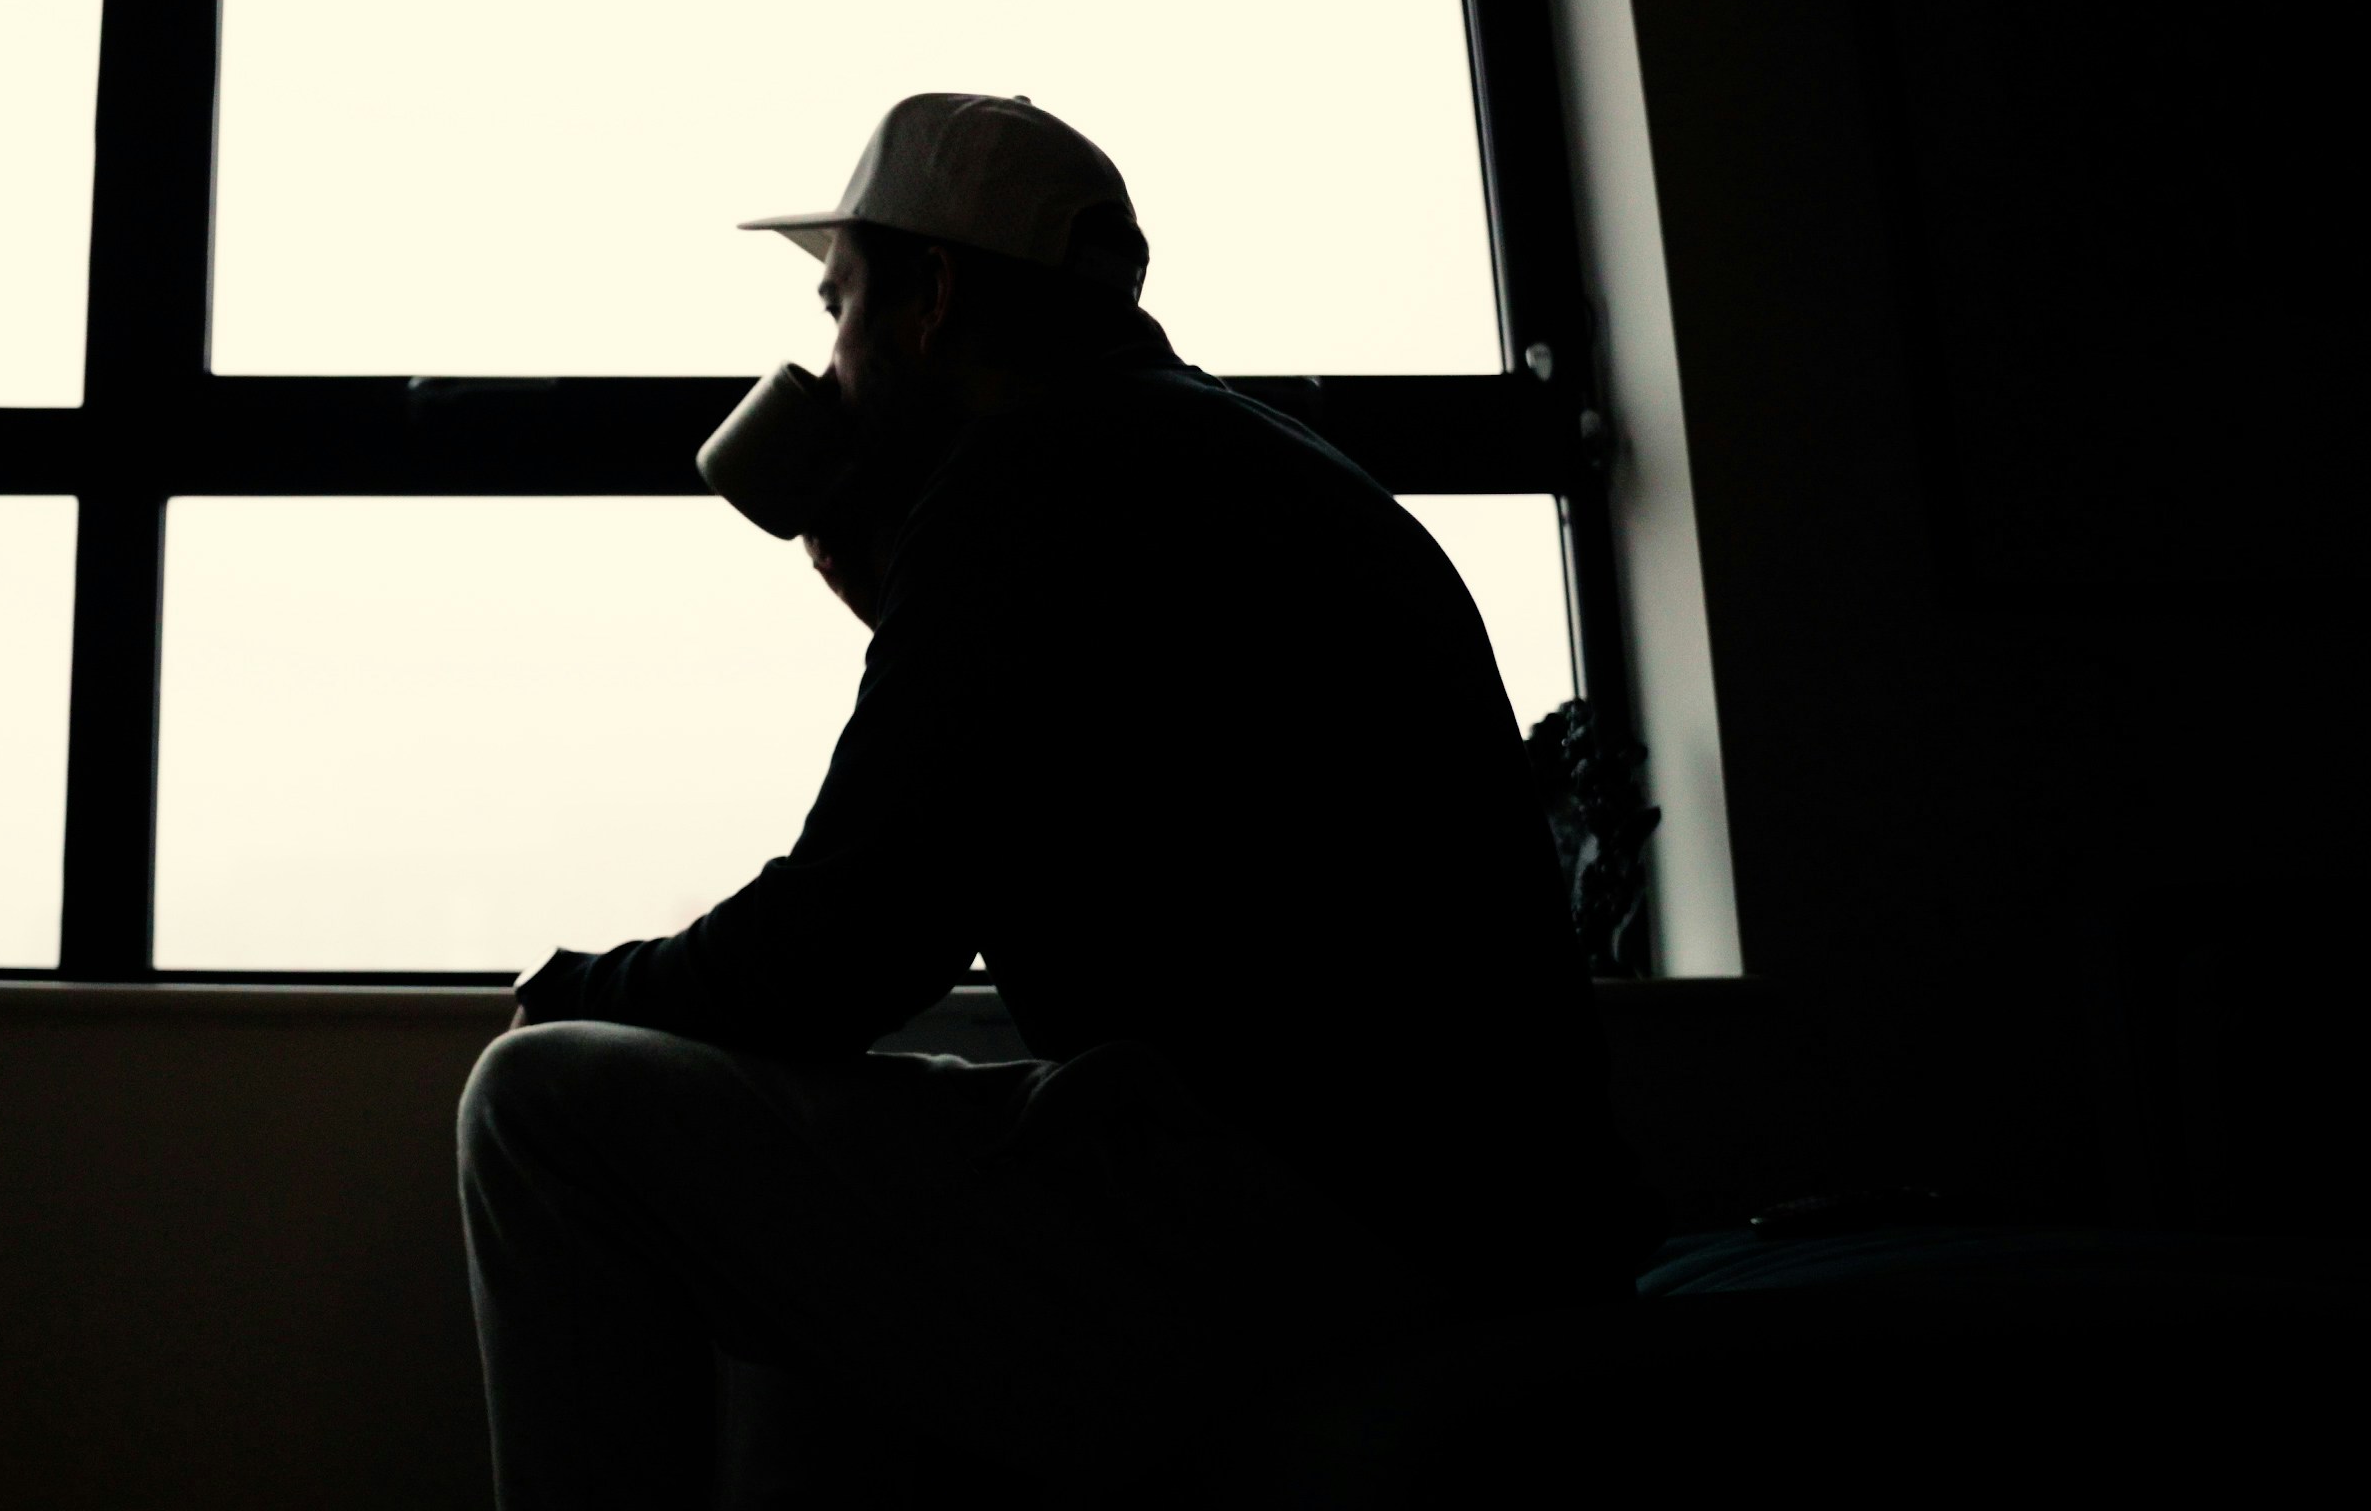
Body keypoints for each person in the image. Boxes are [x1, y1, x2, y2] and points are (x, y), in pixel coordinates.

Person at [458, 94, 1656, 1508]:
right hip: (1456, 1221)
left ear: (933, 298)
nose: (822, 361)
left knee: (541, 1105)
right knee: (809, 1182)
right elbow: (1026, 823)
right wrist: (907, 597)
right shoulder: (1231, 460)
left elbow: (846, 947)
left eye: (840, 301)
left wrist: (587, 986)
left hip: (1311, 1236)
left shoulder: (1031, 480)